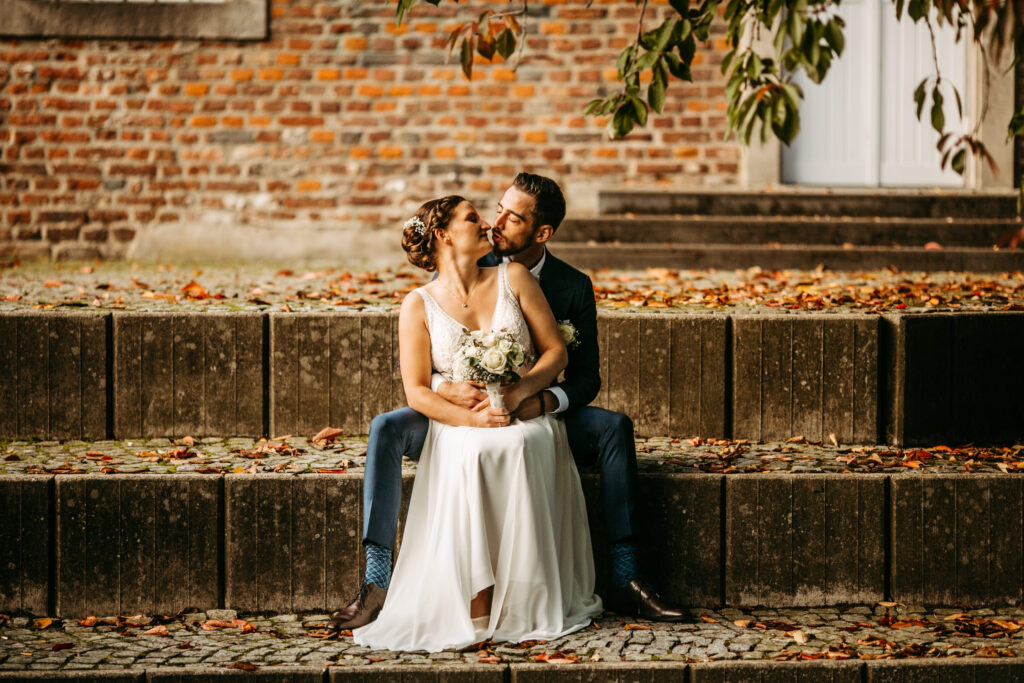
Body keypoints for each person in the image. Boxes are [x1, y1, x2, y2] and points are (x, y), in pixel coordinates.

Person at [330, 174, 684, 634]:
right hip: (461, 406)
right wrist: (444, 386)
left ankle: (625, 574)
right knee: (386, 427)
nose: (494, 222)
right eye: (494, 209)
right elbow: (436, 336)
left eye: (511, 217)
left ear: (542, 234)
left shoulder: (567, 285)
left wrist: (537, 399)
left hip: (535, 405)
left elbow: (585, 374)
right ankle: (376, 581)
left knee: (614, 427)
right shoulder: (469, 257)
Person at [350, 195, 602, 651]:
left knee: (520, 445)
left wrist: (521, 392)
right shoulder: (417, 303)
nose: (487, 223)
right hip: (462, 422)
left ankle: (525, 597)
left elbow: (556, 353)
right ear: (444, 234)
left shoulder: (516, 277)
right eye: (472, 218)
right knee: (474, 450)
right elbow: (417, 391)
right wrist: (471, 418)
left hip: (521, 412)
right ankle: (475, 597)